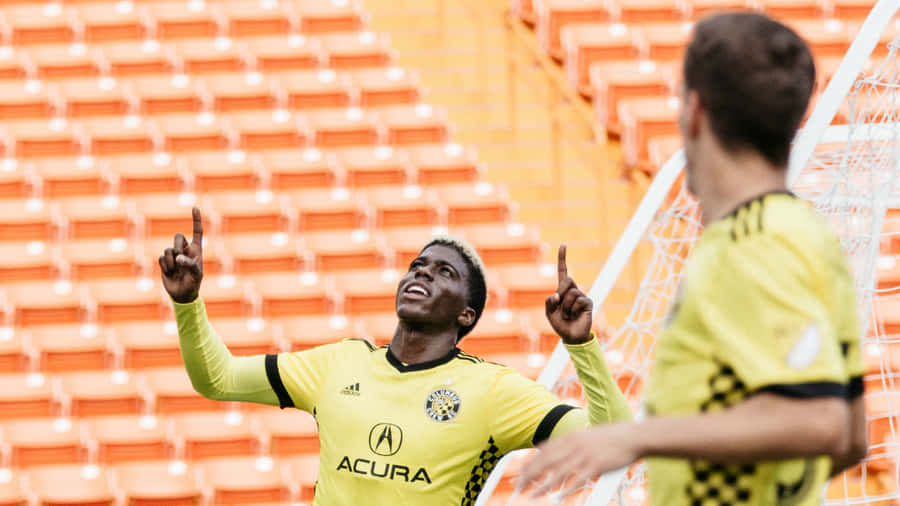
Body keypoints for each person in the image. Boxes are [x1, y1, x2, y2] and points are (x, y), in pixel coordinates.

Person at [519, 12, 867, 505]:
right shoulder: (808, 237)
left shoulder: (753, 240)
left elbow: (822, 422)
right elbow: (852, 436)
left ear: (696, 111)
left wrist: (637, 437)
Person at [158, 207, 631, 505]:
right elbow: (216, 379)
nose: (421, 274)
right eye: (416, 266)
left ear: (466, 315)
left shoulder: (492, 391)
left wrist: (580, 345)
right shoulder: (340, 364)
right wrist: (187, 303)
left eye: (444, 271)